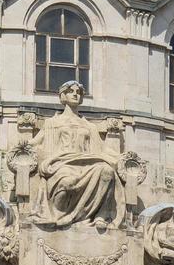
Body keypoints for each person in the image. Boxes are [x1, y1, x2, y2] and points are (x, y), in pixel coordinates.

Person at [31, 81, 125, 229]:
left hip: (86, 163)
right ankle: (58, 215)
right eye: (71, 91)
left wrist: (122, 158)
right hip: (62, 163)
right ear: (63, 95)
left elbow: (102, 148)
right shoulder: (52, 122)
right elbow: (35, 143)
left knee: (106, 171)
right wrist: (22, 148)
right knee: (67, 181)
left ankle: (101, 215)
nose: (75, 94)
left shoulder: (89, 126)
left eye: (78, 92)